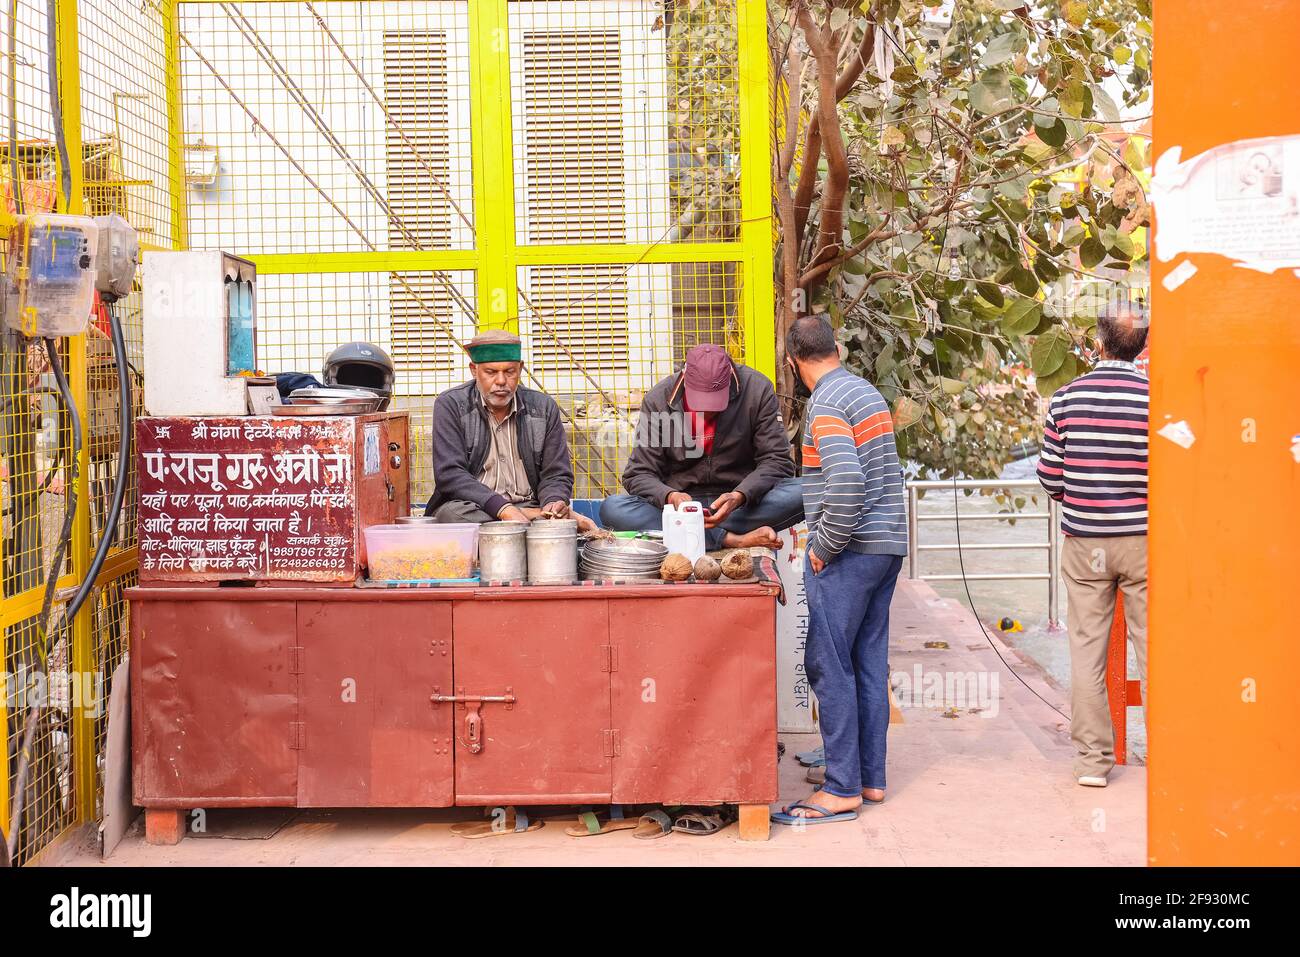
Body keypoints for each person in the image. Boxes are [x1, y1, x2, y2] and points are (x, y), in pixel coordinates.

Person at [772, 317, 907, 826]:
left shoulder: (826, 404)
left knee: (829, 665)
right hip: (886, 547)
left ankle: (842, 787)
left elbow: (847, 481)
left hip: (850, 552)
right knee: (867, 663)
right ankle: (869, 778)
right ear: (837, 348)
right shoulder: (864, 391)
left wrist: (823, 547)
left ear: (792, 363)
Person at [1037, 307, 1149, 788]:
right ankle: (1176, 758)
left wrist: (1084, 496)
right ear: (1141, 348)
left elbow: (1049, 478)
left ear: (1098, 345)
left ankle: (1091, 764)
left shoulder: (1065, 399)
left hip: (1085, 544)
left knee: (1087, 654)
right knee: (1159, 652)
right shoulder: (1158, 399)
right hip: (1146, 541)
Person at [600, 343, 803, 550]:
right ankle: (731, 539)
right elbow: (638, 474)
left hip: (740, 504)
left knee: (808, 491)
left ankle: (697, 533)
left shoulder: (757, 390)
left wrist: (740, 495)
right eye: (700, 403)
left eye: (715, 404)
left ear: (730, 382)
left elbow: (777, 461)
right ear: (685, 380)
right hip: (681, 509)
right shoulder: (658, 399)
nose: (706, 412)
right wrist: (671, 496)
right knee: (613, 508)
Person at [426, 329, 593, 530]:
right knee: (450, 516)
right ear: (473, 369)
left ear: (520, 369)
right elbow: (450, 475)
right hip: (476, 508)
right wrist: (503, 508)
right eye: (491, 372)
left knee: (553, 519)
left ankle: (531, 518)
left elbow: (556, 473)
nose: (501, 381)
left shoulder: (543, 408)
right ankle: (530, 521)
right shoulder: (451, 405)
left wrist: (553, 502)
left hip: (530, 504)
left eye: (509, 371)